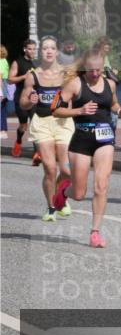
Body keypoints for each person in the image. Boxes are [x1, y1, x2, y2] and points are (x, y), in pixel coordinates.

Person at [52, 48, 121, 248]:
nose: (95, 74)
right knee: (79, 193)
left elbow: (112, 104)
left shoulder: (110, 84)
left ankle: (95, 232)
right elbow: (56, 110)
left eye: (98, 70)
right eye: (91, 71)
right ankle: (63, 192)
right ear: (83, 68)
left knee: (101, 186)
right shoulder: (74, 84)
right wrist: (79, 110)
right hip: (82, 139)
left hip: (105, 137)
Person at [19, 36, 74, 221]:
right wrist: (30, 101)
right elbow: (23, 103)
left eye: (52, 48)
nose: (49, 51)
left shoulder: (67, 74)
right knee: (50, 168)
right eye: (45, 48)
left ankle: (60, 196)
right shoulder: (32, 75)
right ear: (40, 52)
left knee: (66, 170)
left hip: (63, 123)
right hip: (42, 123)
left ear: (57, 51)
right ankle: (51, 207)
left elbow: (77, 95)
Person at [8, 39, 37, 157]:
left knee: (36, 124)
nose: (32, 51)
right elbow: (10, 79)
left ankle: (37, 153)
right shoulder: (17, 62)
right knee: (23, 126)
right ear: (25, 49)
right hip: (21, 99)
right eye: (30, 49)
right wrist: (24, 76)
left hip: (34, 98)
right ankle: (18, 142)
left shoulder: (37, 63)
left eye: (34, 49)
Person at [0, 44, 9, 139]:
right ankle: (3, 130)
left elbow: (0, 76)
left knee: (1, 109)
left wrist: (1, 92)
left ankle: (2, 130)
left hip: (1, 85)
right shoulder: (4, 60)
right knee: (3, 109)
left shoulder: (1, 61)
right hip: (4, 85)